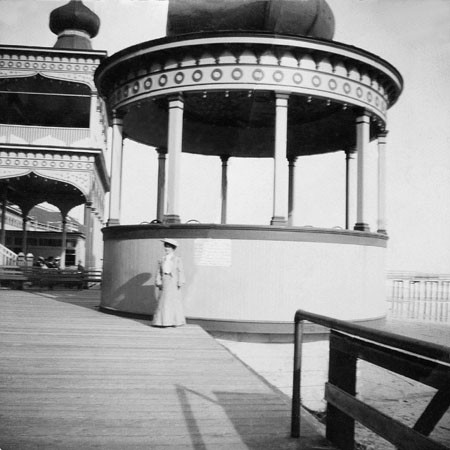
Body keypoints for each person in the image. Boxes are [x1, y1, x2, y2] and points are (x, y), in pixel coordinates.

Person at [152, 238, 186, 327]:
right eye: (165, 247)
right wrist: (158, 280)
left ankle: (175, 321)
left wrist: (180, 281)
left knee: (174, 301)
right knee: (164, 301)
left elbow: (180, 271)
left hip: (173, 281)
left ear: (173, 249)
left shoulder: (177, 259)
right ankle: (162, 322)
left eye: (168, 247)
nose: (166, 249)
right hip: (165, 280)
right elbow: (159, 271)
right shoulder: (162, 259)